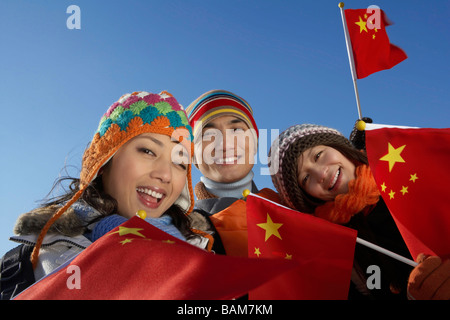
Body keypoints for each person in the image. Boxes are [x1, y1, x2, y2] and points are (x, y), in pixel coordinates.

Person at [1, 91, 213, 299]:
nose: (165, 174)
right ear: (105, 160)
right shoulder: (27, 265)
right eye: (147, 151)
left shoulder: (205, 264)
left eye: (179, 162)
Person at [268, 123, 449, 300]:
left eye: (318, 155)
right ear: (308, 197)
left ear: (338, 147)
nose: (320, 173)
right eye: (306, 178)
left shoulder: (408, 173)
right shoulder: (339, 253)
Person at [186, 90, 279, 257]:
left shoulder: (289, 208)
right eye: (208, 134)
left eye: (236, 130)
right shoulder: (180, 230)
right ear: (193, 155)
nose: (225, 144)